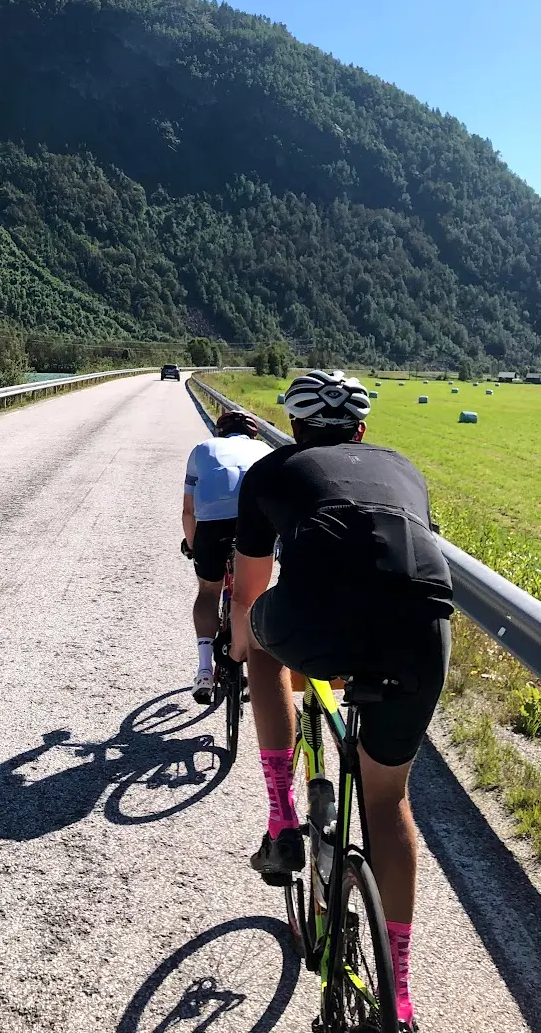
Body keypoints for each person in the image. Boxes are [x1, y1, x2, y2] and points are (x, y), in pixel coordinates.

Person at [231, 369, 452, 1033]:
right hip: (421, 632)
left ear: (293, 430)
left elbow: (247, 597)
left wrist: (241, 646)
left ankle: (280, 821)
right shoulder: (401, 467)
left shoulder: (272, 472)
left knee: (264, 646)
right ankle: (402, 1000)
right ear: (362, 430)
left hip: (317, 621)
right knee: (389, 800)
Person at [181, 410, 270, 703]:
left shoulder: (202, 450)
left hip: (211, 526)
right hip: (255, 525)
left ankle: (205, 669)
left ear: (220, 432)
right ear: (253, 434)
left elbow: (188, 511)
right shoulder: (265, 450)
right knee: (250, 595)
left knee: (208, 591)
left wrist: (193, 546)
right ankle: (247, 665)